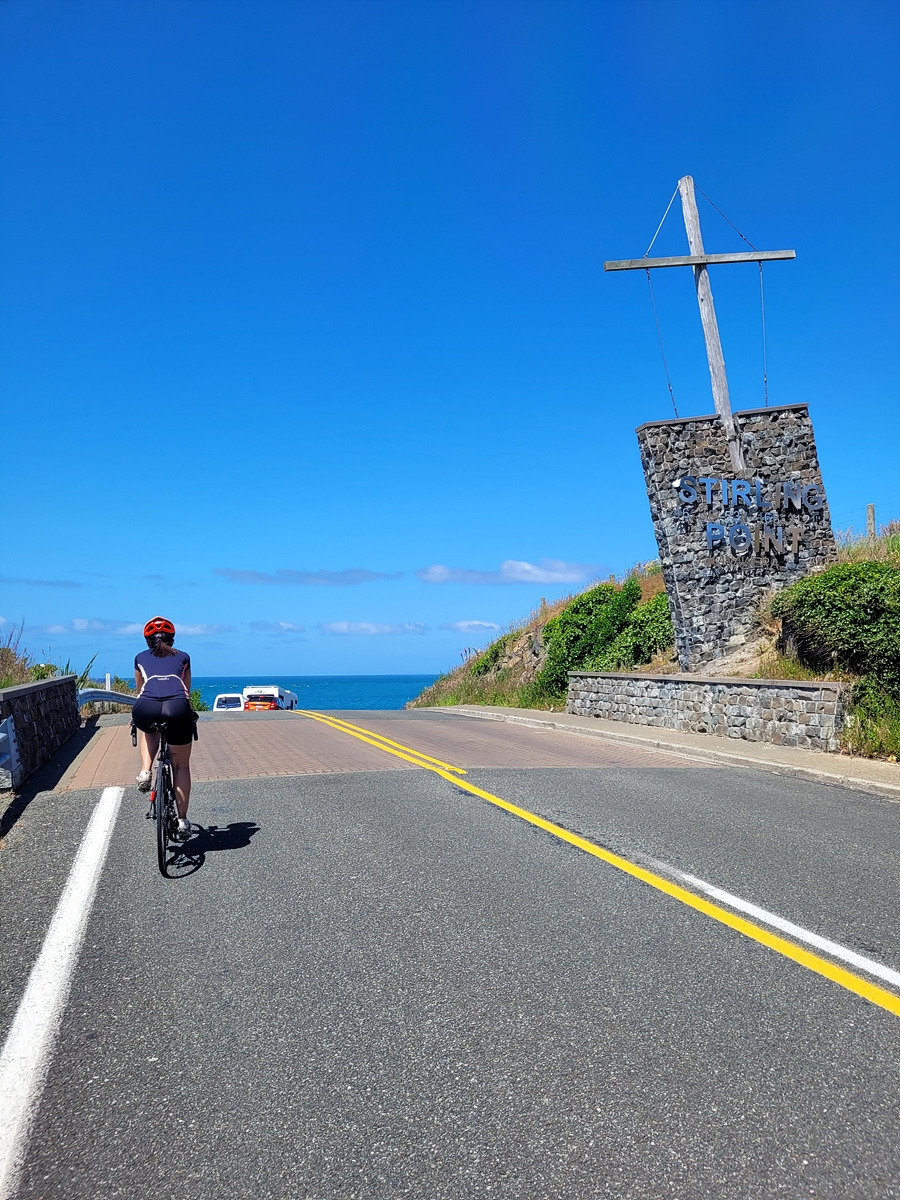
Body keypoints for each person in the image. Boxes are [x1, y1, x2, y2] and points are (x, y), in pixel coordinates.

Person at [132, 616, 194, 841]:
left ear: (148, 641)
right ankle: (182, 820)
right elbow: (186, 691)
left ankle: (145, 771)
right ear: (172, 639)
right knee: (181, 766)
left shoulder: (140, 658)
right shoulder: (184, 657)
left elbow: (140, 690)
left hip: (146, 707)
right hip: (177, 707)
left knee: (149, 729)